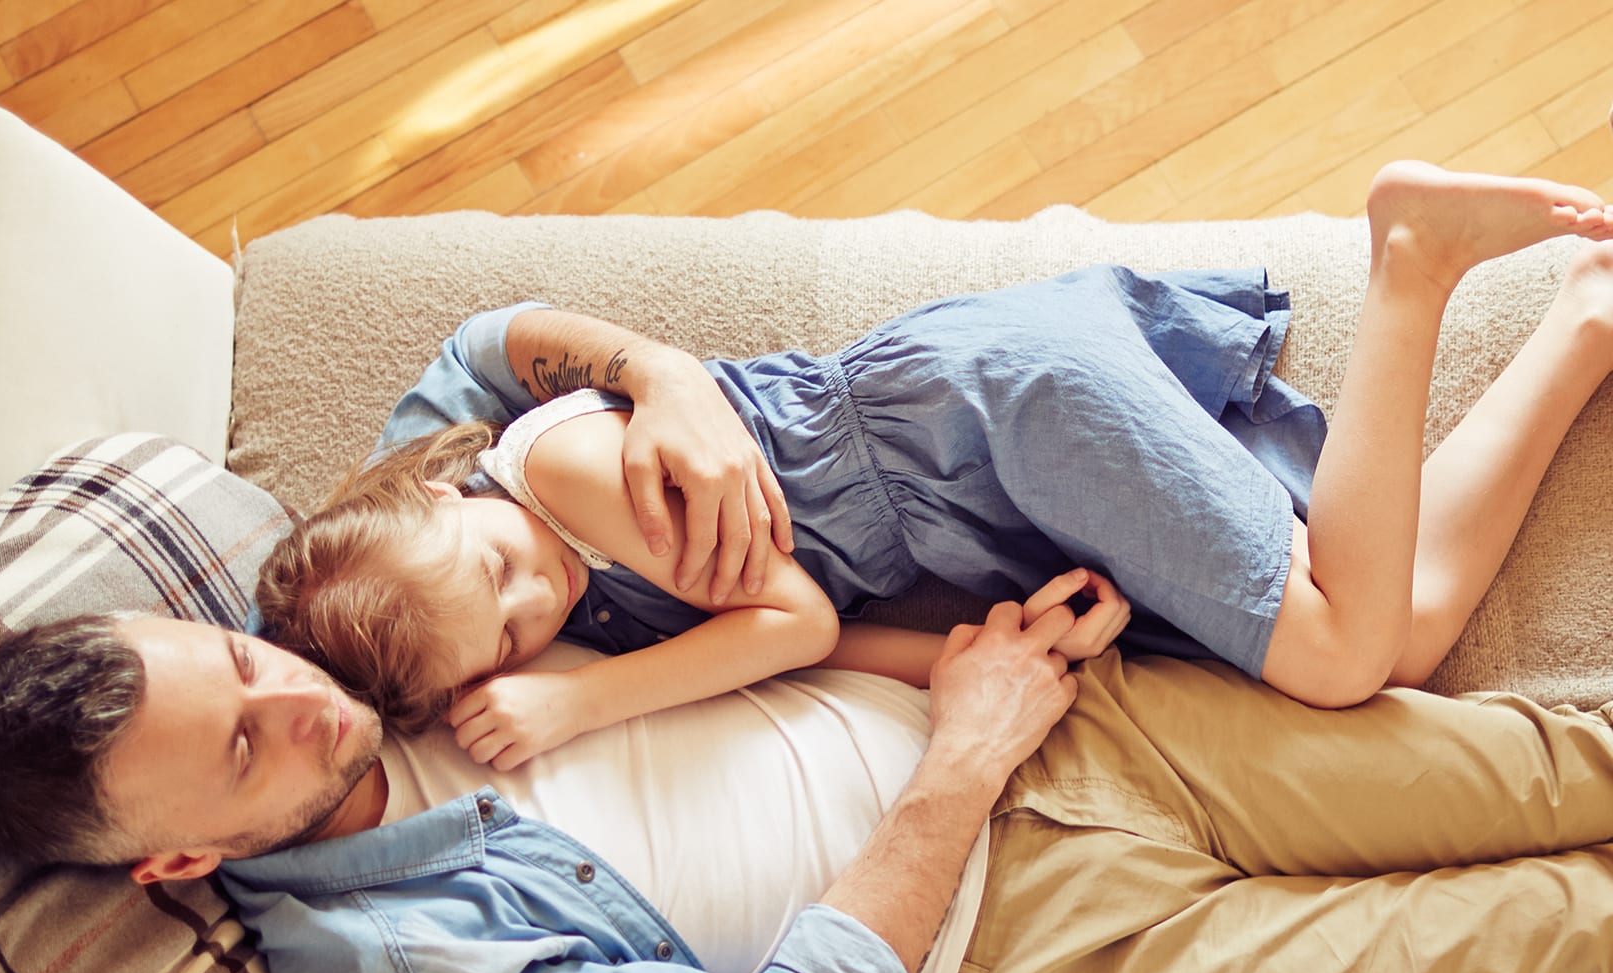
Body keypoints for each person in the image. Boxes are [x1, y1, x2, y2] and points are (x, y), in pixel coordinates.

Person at [0, 591, 1613, 973]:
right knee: (1568, 941)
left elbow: (488, 374)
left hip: (1084, 734)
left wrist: (954, 682)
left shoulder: (366, 640)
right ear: (174, 868)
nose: (298, 705)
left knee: (1562, 766)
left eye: (237, 664)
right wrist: (963, 757)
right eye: (243, 745)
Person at [252, 163, 1612, 773]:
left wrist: (582, 708)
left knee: (1330, 654)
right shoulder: (530, 592)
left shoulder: (559, 476)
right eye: (501, 641)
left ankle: (1409, 265)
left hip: (996, 418)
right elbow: (815, 643)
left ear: (442, 490)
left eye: (491, 576)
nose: (528, 606)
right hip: (998, 486)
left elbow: (790, 621)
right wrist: (990, 661)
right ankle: (1588, 318)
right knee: (1399, 630)